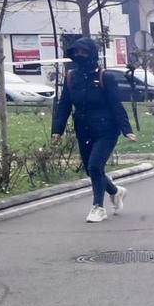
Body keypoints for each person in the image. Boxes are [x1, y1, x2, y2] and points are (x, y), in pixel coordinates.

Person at [50, 38, 134, 223]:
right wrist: (57, 130)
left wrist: (126, 129)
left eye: (84, 52)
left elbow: (115, 104)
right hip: (84, 129)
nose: (80, 56)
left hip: (106, 130)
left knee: (95, 166)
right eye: (77, 52)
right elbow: (64, 105)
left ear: (92, 54)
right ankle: (115, 191)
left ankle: (98, 208)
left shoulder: (106, 78)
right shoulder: (71, 77)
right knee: (91, 170)